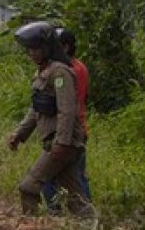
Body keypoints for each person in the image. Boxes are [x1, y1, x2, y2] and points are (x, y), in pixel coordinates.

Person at [6, 21, 95, 218]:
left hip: (62, 143)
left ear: (47, 47)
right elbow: (36, 109)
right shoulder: (43, 72)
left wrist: (61, 143)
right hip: (55, 142)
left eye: (36, 48)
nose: (32, 53)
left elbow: (67, 111)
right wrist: (20, 134)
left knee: (28, 187)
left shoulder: (60, 72)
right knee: (76, 198)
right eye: (29, 49)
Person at [42, 28, 91, 208]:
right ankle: (84, 217)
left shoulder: (65, 71)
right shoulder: (80, 67)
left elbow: (66, 108)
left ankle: (57, 217)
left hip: (68, 132)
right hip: (78, 129)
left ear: (65, 46)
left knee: (47, 178)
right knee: (78, 178)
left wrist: (61, 140)